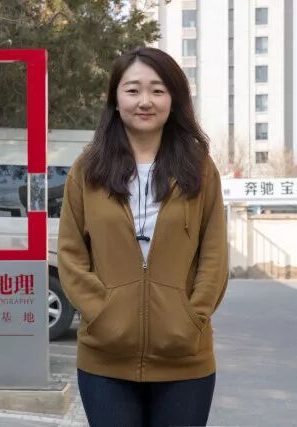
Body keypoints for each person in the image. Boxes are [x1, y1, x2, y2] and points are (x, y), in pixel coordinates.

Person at [57, 46, 229, 426]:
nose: (145, 101)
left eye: (158, 90)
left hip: (186, 359)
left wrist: (192, 317)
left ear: (174, 99)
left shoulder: (200, 169)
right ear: (115, 99)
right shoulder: (88, 170)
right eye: (133, 90)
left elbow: (214, 253)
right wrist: (103, 313)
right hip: (105, 359)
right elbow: (71, 254)